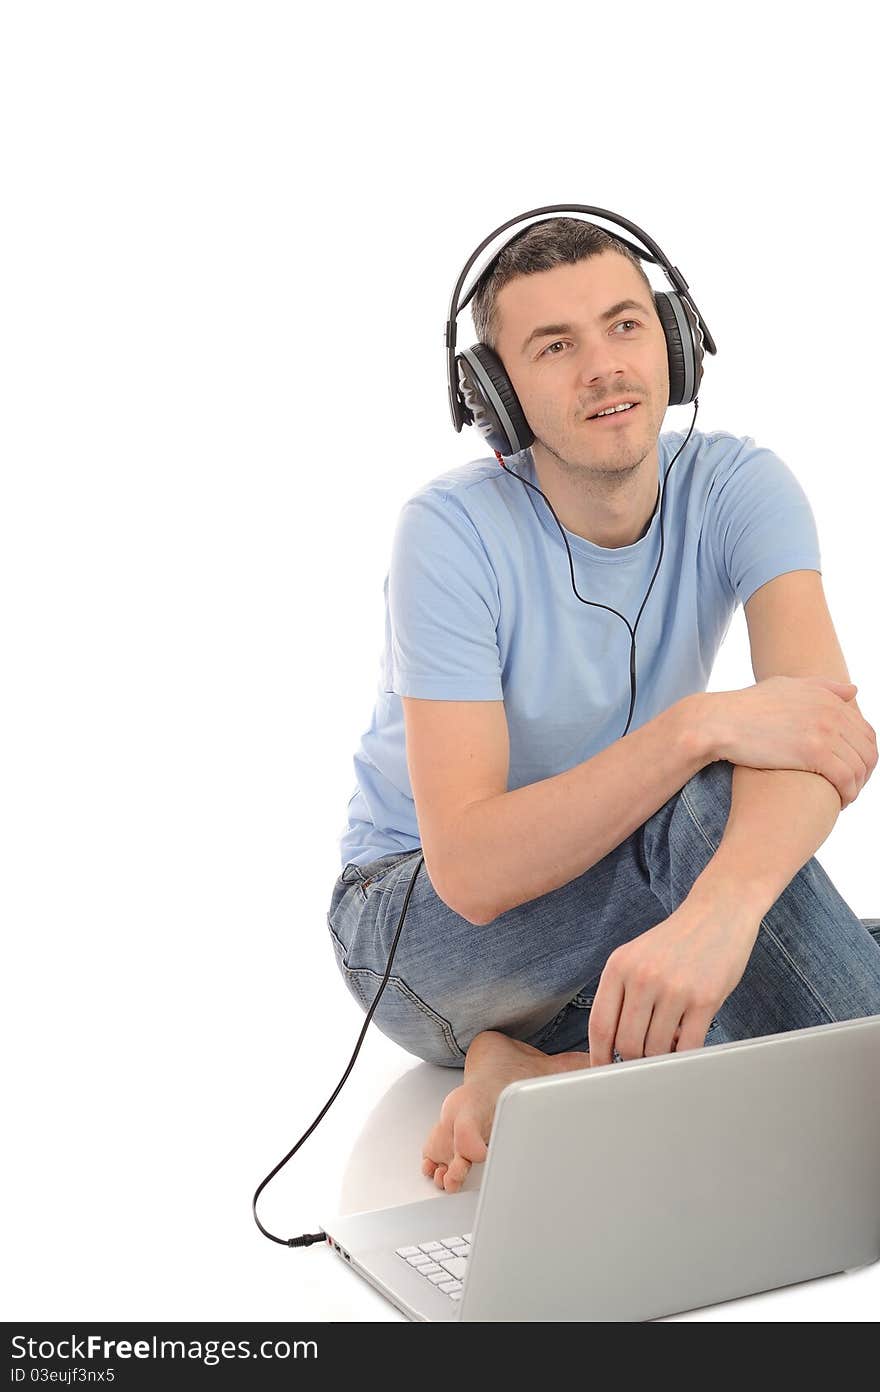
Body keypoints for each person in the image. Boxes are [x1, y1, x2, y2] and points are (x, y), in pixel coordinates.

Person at [326, 216, 880, 1196]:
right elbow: (474, 872)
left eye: (624, 326)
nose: (602, 366)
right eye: (554, 345)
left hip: (610, 907)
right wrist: (696, 725)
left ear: (672, 341)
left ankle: (545, 1069)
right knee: (707, 804)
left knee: (757, 877)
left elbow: (818, 737)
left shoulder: (740, 485)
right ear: (493, 396)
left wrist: (722, 910)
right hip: (413, 926)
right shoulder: (446, 535)